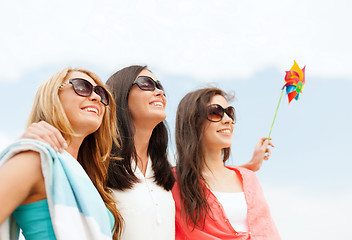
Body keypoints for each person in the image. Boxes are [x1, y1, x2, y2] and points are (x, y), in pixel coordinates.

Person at [20, 65, 271, 240]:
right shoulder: (98, 164)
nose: (159, 90)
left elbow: (207, 178)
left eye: (159, 85)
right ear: (119, 95)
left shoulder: (165, 175)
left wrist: (249, 166)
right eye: (146, 83)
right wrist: (32, 137)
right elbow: (60, 166)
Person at [0, 68, 123, 240]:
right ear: (52, 97)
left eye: (101, 93)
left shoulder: (85, 176)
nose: (96, 97)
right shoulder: (36, 158)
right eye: (82, 87)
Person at [172, 87, 281, 239]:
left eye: (229, 112)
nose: (228, 120)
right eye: (215, 112)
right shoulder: (174, 182)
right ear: (193, 121)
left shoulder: (249, 178)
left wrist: (251, 165)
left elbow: (267, 232)